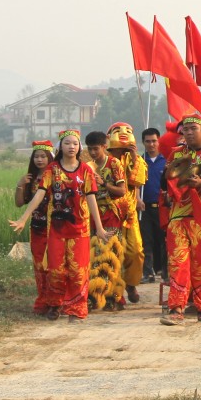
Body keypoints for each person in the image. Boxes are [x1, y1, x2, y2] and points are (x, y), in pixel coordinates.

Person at [9, 129, 110, 322]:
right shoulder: (52, 170)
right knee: (56, 269)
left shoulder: (86, 171)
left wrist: (99, 227)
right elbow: (39, 195)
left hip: (80, 230)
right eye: (67, 143)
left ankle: (76, 309)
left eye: (74, 143)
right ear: (60, 147)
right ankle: (55, 305)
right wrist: (23, 218)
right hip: (56, 230)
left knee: (78, 270)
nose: (71, 147)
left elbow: (91, 200)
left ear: (79, 147)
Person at [160, 114, 201, 326]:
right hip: (178, 215)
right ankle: (176, 308)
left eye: (192, 129)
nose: (188, 133)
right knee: (178, 262)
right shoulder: (176, 154)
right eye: (185, 129)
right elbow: (165, 183)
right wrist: (170, 174)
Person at [85, 130, 128, 310]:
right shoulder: (87, 165)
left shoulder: (114, 163)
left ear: (104, 147)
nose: (93, 153)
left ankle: (111, 296)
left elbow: (122, 191)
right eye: (90, 149)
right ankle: (95, 294)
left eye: (96, 149)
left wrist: (103, 183)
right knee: (94, 257)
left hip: (111, 213)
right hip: (92, 215)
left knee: (110, 255)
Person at [106, 122, 146, 304]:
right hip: (108, 211)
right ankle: (115, 293)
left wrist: (134, 156)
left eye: (128, 131)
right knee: (112, 252)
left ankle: (131, 283)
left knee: (135, 251)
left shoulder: (135, 158)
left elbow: (137, 180)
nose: (123, 134)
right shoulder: (103, 159)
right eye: (118, 131)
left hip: (128, 213)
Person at [15, 140, 54, 315]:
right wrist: (20, 184)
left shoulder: (55, 175)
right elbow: (19, 203)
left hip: (54, 228)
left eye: (43, 156)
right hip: (37, 228)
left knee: (53, 265)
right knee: (39, 265)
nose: (39, 160)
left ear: (49, 158)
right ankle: (43, 299)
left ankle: (55, 299)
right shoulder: (29, 179)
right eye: (36, 156)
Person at [139, 128, 168, 284]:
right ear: (143, 142)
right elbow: (135, 184)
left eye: (154, 141)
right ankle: (148, 272)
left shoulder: (167, 161)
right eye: (148, 141)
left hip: (163, 206)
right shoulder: (140, 162)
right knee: (146, 241)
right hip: (145, 207)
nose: (151, 144)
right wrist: (137, 199)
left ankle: (165, 273)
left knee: (164, 240)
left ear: (159, 141)